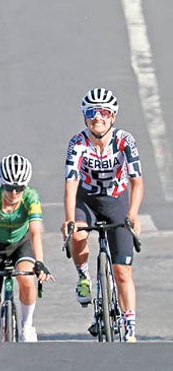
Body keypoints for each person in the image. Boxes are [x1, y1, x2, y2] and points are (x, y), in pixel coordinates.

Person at [61, 88, 143, 343]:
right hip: (86, 199)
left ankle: (129, 325)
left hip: (116, 200)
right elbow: (71, 184)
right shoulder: (77, 143)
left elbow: (137, 182)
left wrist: (132, 214)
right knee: (78, 234)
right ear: (85, 117)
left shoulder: (124, 141)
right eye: (91, 113)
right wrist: (69, 219)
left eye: (104, 112)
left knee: (122, 272)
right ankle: (84, 276)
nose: (98, 117)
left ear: (113, 117)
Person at [0, 154, 53, 343]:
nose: (14, 193)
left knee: (26, 278)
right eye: (9, 188)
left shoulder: (31, 197)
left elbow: (35, 233)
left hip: (20, 245)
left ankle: (27, 325)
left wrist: (39, 262)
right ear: (2, 184)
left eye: (19, 188)